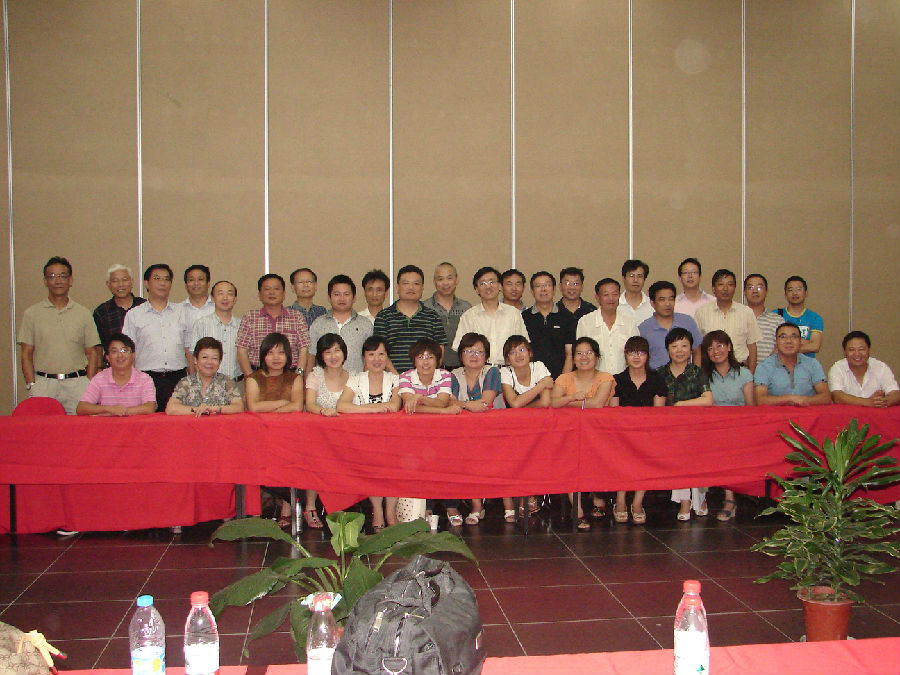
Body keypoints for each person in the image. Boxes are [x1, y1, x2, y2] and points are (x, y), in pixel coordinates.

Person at [18, 256, 101, 414]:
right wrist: (31, 384)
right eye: (52, 276)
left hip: (77, 384)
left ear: (70, 280)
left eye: (63, 276)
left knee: (78, 427)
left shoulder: (83, 313)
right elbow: (26, 353)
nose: (58, 281)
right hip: (44, 384)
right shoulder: (32, 313)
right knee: (43, 427)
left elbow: (92, 353)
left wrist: (88, 382)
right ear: (45, 281)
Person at [337, 336, 403, 531]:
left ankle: (390, 511)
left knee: (394, 467)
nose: (376, 359)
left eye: (381, 354)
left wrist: (363, 409)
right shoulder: (356, 379)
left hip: (391, 438)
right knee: (372, 469)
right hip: (362, 438)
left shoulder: (396, 379)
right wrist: (373, 408)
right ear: (364, 357)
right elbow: (342, 406)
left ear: (387, 357)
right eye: (371, 354)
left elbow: (394, 406)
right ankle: (377, 510)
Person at [551, 336, 615, 530]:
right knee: (568, 461)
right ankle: (577, 510)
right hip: (568, 435)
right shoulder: (564, 378)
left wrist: (568, 401)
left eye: (589, 353)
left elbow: (597, 404)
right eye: (579, 353)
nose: (584, 357)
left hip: (598, 435)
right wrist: (574, 398)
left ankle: (598, 498)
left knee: (598, 456)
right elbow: (553, 403)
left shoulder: (606, 377)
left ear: (597, 357)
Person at [608, 336, 667, 524]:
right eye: (632, 352)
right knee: (620, 455)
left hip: (648, 433)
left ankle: (637, 503)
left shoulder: (657, 379)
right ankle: (620, 501)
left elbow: (658, 413)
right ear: (626, 355)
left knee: (647, 454)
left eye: (641, 353)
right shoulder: (617, 379)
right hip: (622, 433)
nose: (636, 357)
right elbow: (614, 412)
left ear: (648, 356)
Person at [700, 330, 756, 521]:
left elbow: (751, 407)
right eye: (710, 348)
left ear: (729, 347)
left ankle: (730, 499)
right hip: (711, 428)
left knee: (729, 446)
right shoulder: (703, 375)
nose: (716, 351)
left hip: (739, 428)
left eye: (720, 346)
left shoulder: (744, 373)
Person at [658, 327, 713, 520]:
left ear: (691, 349)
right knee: (679, 457)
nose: (679, 350)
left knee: (699, 457)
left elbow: (708, 399)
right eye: (674, 346)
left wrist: (681, 404)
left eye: (684, 346)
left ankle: (701, 498)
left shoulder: (697, 372)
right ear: (668, 349)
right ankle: (684, 501)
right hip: (669, 431)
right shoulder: (660, 373)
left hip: (696, 428)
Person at [123, 263, 193, 412]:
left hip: (178, 379)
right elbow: (128, 353)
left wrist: (194, 382)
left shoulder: (182, 312)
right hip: (146, 379)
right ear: (146, 283)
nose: (162, 283)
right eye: (157, 278)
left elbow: (189, 350)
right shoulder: (134, 315)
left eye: (166, 279)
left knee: (178, 422)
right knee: (148, 422)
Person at [448, 332, 502, 526]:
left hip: (492, 432)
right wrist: (469, 405)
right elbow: (448, 401)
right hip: (462, 433)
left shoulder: (492, 372)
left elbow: (485, 403)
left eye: (479, 352)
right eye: (468, 351)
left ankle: (480, 504)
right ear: (460, 355)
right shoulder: (453, 375)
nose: (473, 356)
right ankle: (473, 503)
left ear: (486, 356)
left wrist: (462, 404)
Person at [500, 335, 553, 524]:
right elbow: (513, 403)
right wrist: (541, 386)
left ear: (530, 352)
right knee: (516, 459)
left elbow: (545, 402)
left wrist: (521, 405)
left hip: (540, 425)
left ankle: (531, 493)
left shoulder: (539, 366)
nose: (518, 355)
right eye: (512, 352)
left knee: (538, 457)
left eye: (522, 350)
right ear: (507, 359)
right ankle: (521, 494)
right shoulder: (505, 372)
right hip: (515, 427)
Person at [373, 265, 447, 374]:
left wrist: (425, 377)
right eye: (406, 283)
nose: (411, 287)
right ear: (397, 287)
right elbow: (379, 352)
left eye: (416, 284)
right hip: (392, 379)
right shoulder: (383, 316)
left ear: (422, 288)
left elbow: (439, 351)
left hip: (425, 379)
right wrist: (398, 379)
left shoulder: (433, 316)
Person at [236, 273, 310, 378]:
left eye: (276, 289)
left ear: (284, 294)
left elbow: (303, 349)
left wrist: (299, 375)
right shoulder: (250, 317)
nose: (272, 292)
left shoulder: (297, 317)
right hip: (258, 375)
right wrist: (250, 378)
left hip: (290, 376)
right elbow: (241, 351)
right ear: (259, 295)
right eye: (267, 289)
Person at [453, 266, 529, 367]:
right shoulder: (468, 316)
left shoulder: (513, 314)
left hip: (508, 370)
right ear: (477, 289)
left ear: (500, 286)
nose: (488, 287)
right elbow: (461, 349)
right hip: (479, 370)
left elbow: (523, 345)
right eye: (483, 283)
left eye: (492, 282)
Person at [694, 268, 761, 373]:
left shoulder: (746, 312)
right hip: (711, 371)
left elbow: (752, 347)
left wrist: (751, 374)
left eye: (730, 284)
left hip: (740, 370)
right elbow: (697, 347)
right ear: (713, 289)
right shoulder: (701, 312)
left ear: (734, 288)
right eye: (721, 284)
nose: (725, 289)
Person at [76, 333, 156, 416]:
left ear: (133, 355)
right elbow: (81, 408)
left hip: (135, 424)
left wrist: (123, 411)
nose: (120, 355)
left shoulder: (145, 379)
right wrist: (109, 409)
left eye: (124, 351)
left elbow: (150, 407)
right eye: (114, 351)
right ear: (107, 357)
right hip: (107, 424)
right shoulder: (99, 378)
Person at [307, 274, 373, 373]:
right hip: (323, 381)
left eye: (346, 294)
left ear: (354, 297)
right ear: (329, 297)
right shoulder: (318, 324)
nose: (342, 298)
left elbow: (370, 358)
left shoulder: (365, 324)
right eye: (337, 294)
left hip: (356, 381)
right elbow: (311, 356)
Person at [754, 323, 830, 406]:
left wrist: (805, 400)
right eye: (783, 337)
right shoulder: (764, 367)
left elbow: (826, 397)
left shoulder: (812, 364)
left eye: (794, 337)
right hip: (776, 413)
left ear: (800, 341)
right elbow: (760, 400)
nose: (788, 341)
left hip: (807, 411)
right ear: (776, 341)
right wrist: (789, 398)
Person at [165, 337, 244, 416]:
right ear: (195, 360)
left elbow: (239, 407)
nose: (209, 362)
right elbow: (171, 408)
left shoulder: (227, 382)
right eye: (204, 357)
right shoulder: (185, 383)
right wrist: (197, 410)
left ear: (219, 362)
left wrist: (216, 409)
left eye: (214, 358)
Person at [576, 278, 638, 375]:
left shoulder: (629, 322)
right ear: (597, 297)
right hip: (594, 379)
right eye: (606, 295)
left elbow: (636, 352)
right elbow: (580, 355)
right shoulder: (585, 322)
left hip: (624, 379)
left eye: (615, 294)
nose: (611, 298)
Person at [522, 271, 575, 379]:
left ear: (554, 289)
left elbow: (570, 355)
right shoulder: (524, 318)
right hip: (531, 380)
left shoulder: (567, 317)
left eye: (547, 285)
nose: (543, 289)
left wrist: (562, 382)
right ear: (532, 291)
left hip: (561, 378)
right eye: (538, 286)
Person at [639, 280, 702, 370]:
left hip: (686, 376)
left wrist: (696, 374)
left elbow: (697, 351)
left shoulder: (687, 322)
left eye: (671, 299)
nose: (668, 304)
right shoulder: (644, 328)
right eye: (662, 300)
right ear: (652, 303)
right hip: (656, 376)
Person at [828, 331, 899, 407]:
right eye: (851, 350)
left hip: (877, 413)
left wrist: (883, 401)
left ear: (869, 350)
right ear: (845, 352)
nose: (857, 354)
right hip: (848, 414)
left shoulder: (881, 367)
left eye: (861, 349)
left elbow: (896, 393)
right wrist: (868, 402)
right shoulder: (837, 369)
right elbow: (837, 397)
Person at [190, 280, 242, 384]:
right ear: (213, 298)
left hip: (236, 383)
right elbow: (193, 357)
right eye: (220, 293)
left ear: (235, 299)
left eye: (230, 294)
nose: (225, 298)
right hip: (207, 384)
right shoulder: (201, 324)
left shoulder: (242, 325)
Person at [423, 262, 471, 370]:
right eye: (440, 279)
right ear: (434, 282)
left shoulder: (466, 308)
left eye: (449, 278)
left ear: (456, 280)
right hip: (433, 369)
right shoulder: (425, 307)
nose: (445, 283)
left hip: (463, 369)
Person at [92, 263, 146, 355]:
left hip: (143, 362)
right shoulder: (101, 313)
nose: (120, 284)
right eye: (115, 281)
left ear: (132, 282)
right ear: (108, 284)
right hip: (114, 363)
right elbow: (98, 347)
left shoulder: (145, 307)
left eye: (124, 280)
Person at [245, 332, 303, 413]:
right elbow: (253, 408)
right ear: (263, 356)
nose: (276, 357)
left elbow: (297, 407)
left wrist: (274, 412)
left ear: (287, 355)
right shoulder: (253, 379)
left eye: (281, 353)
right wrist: (284, 403)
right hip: (259, 420)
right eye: (270, 353)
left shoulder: (295, 378)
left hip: (288, 420)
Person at [776, 275, 823, 358]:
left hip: (807, 364)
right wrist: (805, 342)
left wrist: (786, 348)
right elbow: (772, 344)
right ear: (785, 295)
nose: (795, 293)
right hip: (780, 363)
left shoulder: (815, 318)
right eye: (790, 290)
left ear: (806, 293)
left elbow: (815, 346)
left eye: (799, 289)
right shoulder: (776, 315)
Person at [305, 333, 351, 418]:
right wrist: (323, 411)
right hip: (321, 423)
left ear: (343, 352)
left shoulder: (353, 377)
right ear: (321, 356)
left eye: (337, 351)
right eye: (328, 352)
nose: (333, 356)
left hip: (348, 423)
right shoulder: (315, 376)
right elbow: (309, 405)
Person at [743, 273, 785, 362]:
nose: (755, 291)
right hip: (741, 369)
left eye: (759, 287)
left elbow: (782, 347)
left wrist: (765, 366)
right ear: (744, 292)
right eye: (750, 287)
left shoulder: (777, 320)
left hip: (769, 369)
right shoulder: (737, 318)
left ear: (766, 291)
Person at [618, 259, 653, 324]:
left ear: (644, 279)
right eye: (631, 276)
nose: (635, 280)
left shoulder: (652, 305)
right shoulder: (615, 305)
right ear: (623, 278)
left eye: (639, 276)